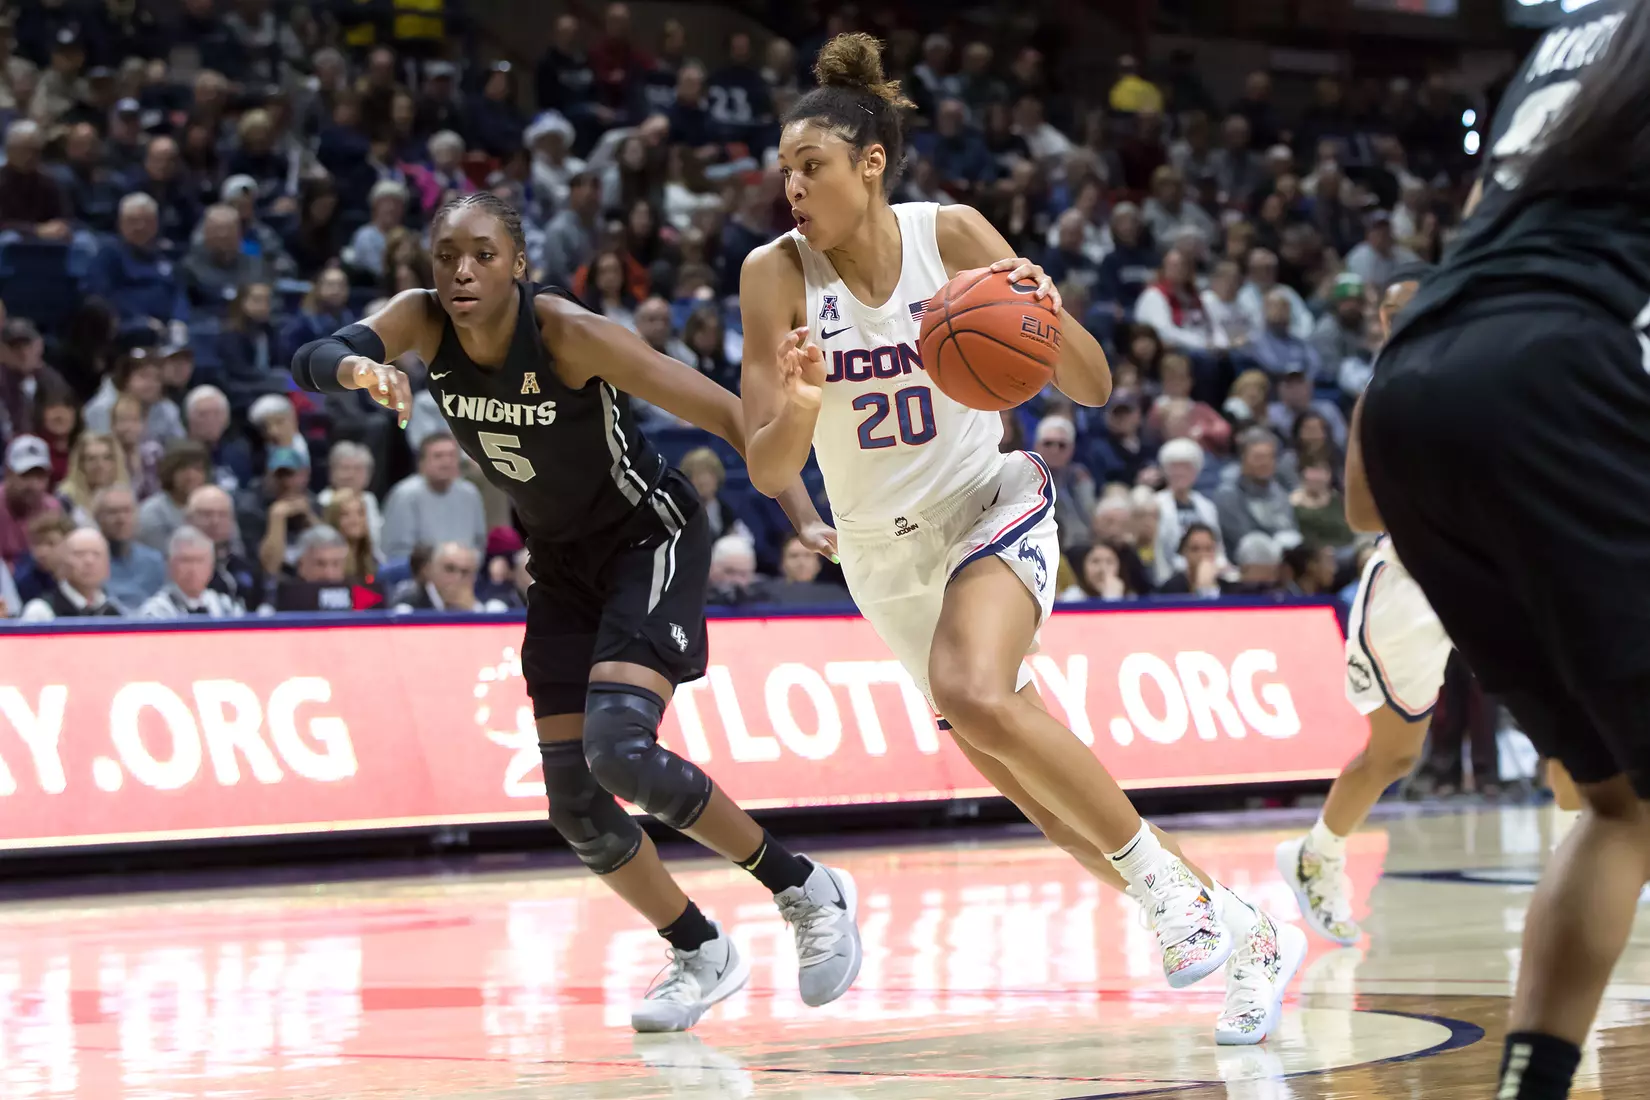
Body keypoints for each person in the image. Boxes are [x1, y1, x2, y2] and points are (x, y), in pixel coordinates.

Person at [738, 32, 1301, 1046]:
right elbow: (769, 469)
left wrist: (1036, 311)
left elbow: (1091, 384)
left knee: (971, 688)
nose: (792, 185)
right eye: (783, 168)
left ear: (870, 164)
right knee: (1047, 805)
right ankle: (1246, 927)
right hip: (882, 554)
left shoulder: (948, 233)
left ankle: (1176, 899)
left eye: (810, 165)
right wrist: (802, 398)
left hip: (987, 500)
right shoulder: (774, 276)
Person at [289, 191, 862, 1035]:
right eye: (447, 255)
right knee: (575, 804)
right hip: (559, 566)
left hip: (648, 537)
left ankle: (804, 888)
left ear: (519, 264)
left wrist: (803, 514)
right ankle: (699, 949)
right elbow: (314, 350)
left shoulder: (565, 332)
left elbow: (731, 416)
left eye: (483, 253)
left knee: (619, 751)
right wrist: (359, 370)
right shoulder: (419, 321)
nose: (462, 270)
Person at [1354, 4, 1646, 1096]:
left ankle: (1534, 1082)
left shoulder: (1573, 32)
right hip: (1559, 372)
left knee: (1616, 799)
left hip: (1418, 383)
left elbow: (1480, 215)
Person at [1275, 265, 1456, 946]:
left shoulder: (1482, 381)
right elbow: (1356, 512)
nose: (1394, 320)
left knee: (1565, 727)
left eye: (1408, 307)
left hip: (1493, 574)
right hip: (1413, 582)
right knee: (1393, 756)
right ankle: (1316, 851)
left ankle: (1596, 864)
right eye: (1386, 310)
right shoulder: (1380, 395)